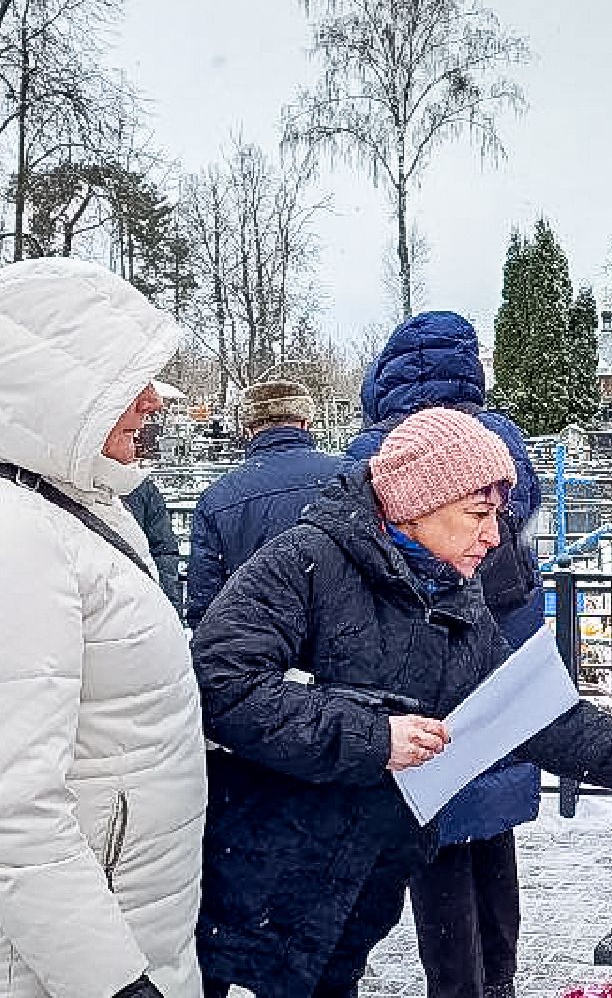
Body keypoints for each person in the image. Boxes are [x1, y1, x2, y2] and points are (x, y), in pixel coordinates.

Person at [192, 408, 612, 998]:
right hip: (254, 877)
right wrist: (375, 738)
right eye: (478, 514)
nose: (494, 537)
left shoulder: (447, 589)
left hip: (353, 884)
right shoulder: (306, 562)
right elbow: (221, 681)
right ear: (417, 504)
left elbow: (539, 718)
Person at [0, 257, 206, 998]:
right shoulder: (18, 536)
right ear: (60, 390)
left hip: (138, 915)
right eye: (129, 380)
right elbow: (13, 809)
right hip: (78, 960)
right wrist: (115, 983)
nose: (153, 400)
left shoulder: (85, 507)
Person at [346, 311, 542, 998]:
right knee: (490, 833)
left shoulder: (379, 454)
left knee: (437, 842)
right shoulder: (504, 444)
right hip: (500, 672)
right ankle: (500, 982)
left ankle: (458, 986)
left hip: (419, 674)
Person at [185, 380, 343, 627]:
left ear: (248, 428)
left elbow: (206, 599)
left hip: (258, 645)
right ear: (306, 422)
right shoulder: (351, 476)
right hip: (345, 642)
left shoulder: (217, 498)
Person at [126, 475, 185, 616]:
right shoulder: (141, 488)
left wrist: (170, 612)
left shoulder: (140, 487)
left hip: (137, 604)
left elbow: (163, 553)